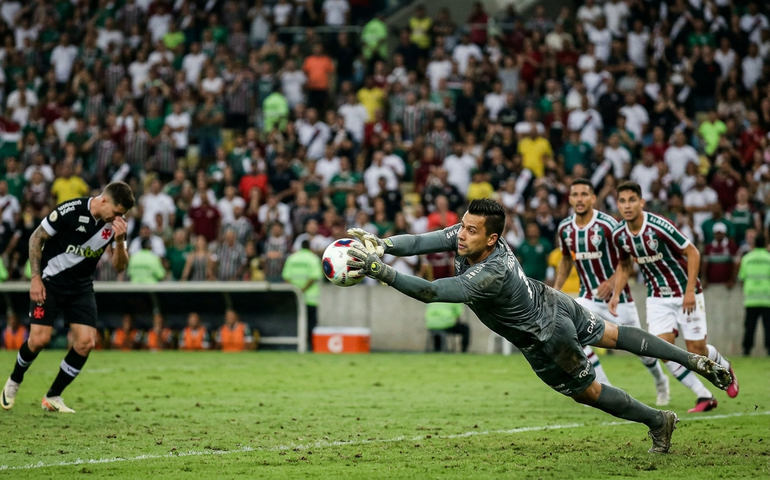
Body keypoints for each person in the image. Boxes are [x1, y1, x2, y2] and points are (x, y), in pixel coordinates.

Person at [345, 199, 732, 454]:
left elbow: (431, 291)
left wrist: (381, 271)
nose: (460, 234)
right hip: (551, 299)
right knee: (613, 334)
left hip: (546, 339)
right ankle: (693, 360)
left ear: (492, 238)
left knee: (589, 392)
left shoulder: (490, 273)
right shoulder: (471, 237)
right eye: (461, 226)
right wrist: (383, 244)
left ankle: (658, 420)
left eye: (470, 230)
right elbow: (418, 242)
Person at [2, 182, 134, 413]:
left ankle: (53, 396)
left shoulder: (116, 225)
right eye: (116, 212)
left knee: (86, 342)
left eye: (122, 214)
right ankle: (14, 380)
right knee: (39, 340)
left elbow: (119, 267)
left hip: (81, 287)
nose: (118, 217)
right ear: (104, 201)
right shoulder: (70, 210)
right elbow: (36, 238)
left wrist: (120, 241)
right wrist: (35, 278)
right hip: (50, 282)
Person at [609, 181, 739, 413]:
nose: (627, 205)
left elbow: (693, 252)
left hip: (685, 291)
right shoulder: (619, 234)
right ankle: (704, 395)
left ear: (641, 202)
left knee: (696, 350)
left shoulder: (659, 225)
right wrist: (616, 294)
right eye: (622, 201)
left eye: (632, 200)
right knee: (664, 350)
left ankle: (725, 366)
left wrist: (689, 291)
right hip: (657, 297)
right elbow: (624, 263)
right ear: (618, 205)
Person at [554, 179, 670, 405]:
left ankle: (660, 381)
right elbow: (566, 260)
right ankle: (606, 389)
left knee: (642, 350)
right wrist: (557, 289)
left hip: (619, 300)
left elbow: (627, 260)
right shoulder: (565, 228)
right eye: (575, 195)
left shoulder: (608, 225)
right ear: (570, 199)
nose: (579, 199)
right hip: (588, 297)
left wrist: (611, 282)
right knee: (571, 331)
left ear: (593, 198)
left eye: (584, 194)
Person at [282, 239, 324, 348]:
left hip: (294, 298)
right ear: (309, 247)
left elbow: (286, 277)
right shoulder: (313, 259)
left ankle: (295, 347)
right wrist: (303, 290)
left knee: (296, 323)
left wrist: (296, 290)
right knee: (311, 324)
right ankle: (309, 347)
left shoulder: (292, 258)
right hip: (310, 298)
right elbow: (314, 277)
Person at [737, 235, 770, 356]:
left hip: (751, 299)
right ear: (765, 244)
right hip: (767, 298)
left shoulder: (747, 258)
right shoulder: (769, 258)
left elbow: (741, 277)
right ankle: (769, 350)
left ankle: (747, 350)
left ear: (754, 244)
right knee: (768, 327)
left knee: (750, 326)